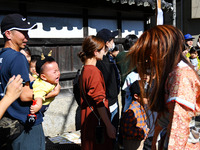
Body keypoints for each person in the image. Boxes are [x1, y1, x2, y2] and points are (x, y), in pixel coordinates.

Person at [128, 25, 200, 149]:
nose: (148, 61)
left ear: (162, 52)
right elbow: (165, 116)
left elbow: (179, 128)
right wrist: (155, 138)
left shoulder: (181, 76)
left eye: (149, 56)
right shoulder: (174, 71)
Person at [0, 13, 45, 150]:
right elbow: (24, 95)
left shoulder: (2, 56)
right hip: (25, 123)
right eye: (23, 32)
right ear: (8, 34)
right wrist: (49, 92)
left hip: (8, 123)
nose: (27, 36)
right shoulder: (18, 57)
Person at [78, 35, 116, 150]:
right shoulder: (93, 71)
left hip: (88, 119)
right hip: (96, 121)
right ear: (95, 52)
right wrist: (109, 125)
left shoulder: (84, 69)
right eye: (103, 48)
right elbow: (99, 101)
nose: (105, 51)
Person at [96, 28, 120, 131]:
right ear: (107, 43)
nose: (113, 43)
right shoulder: (100, 62)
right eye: (112, 40)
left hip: (113, 101)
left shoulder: (108, 59)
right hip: (107, 104)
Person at [120, 80, 149, 150]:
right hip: (132, 144)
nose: (148, 98)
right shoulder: (131, 111)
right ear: (136, 96)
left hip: (138, 141)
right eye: (146, 96)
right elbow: (127, 130)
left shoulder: (140, 107)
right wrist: (143, 132)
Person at [116, 34, 138, 112]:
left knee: (125, 106)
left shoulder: (119, 56)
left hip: (124, 84)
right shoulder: (136, 55)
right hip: (135, 85)